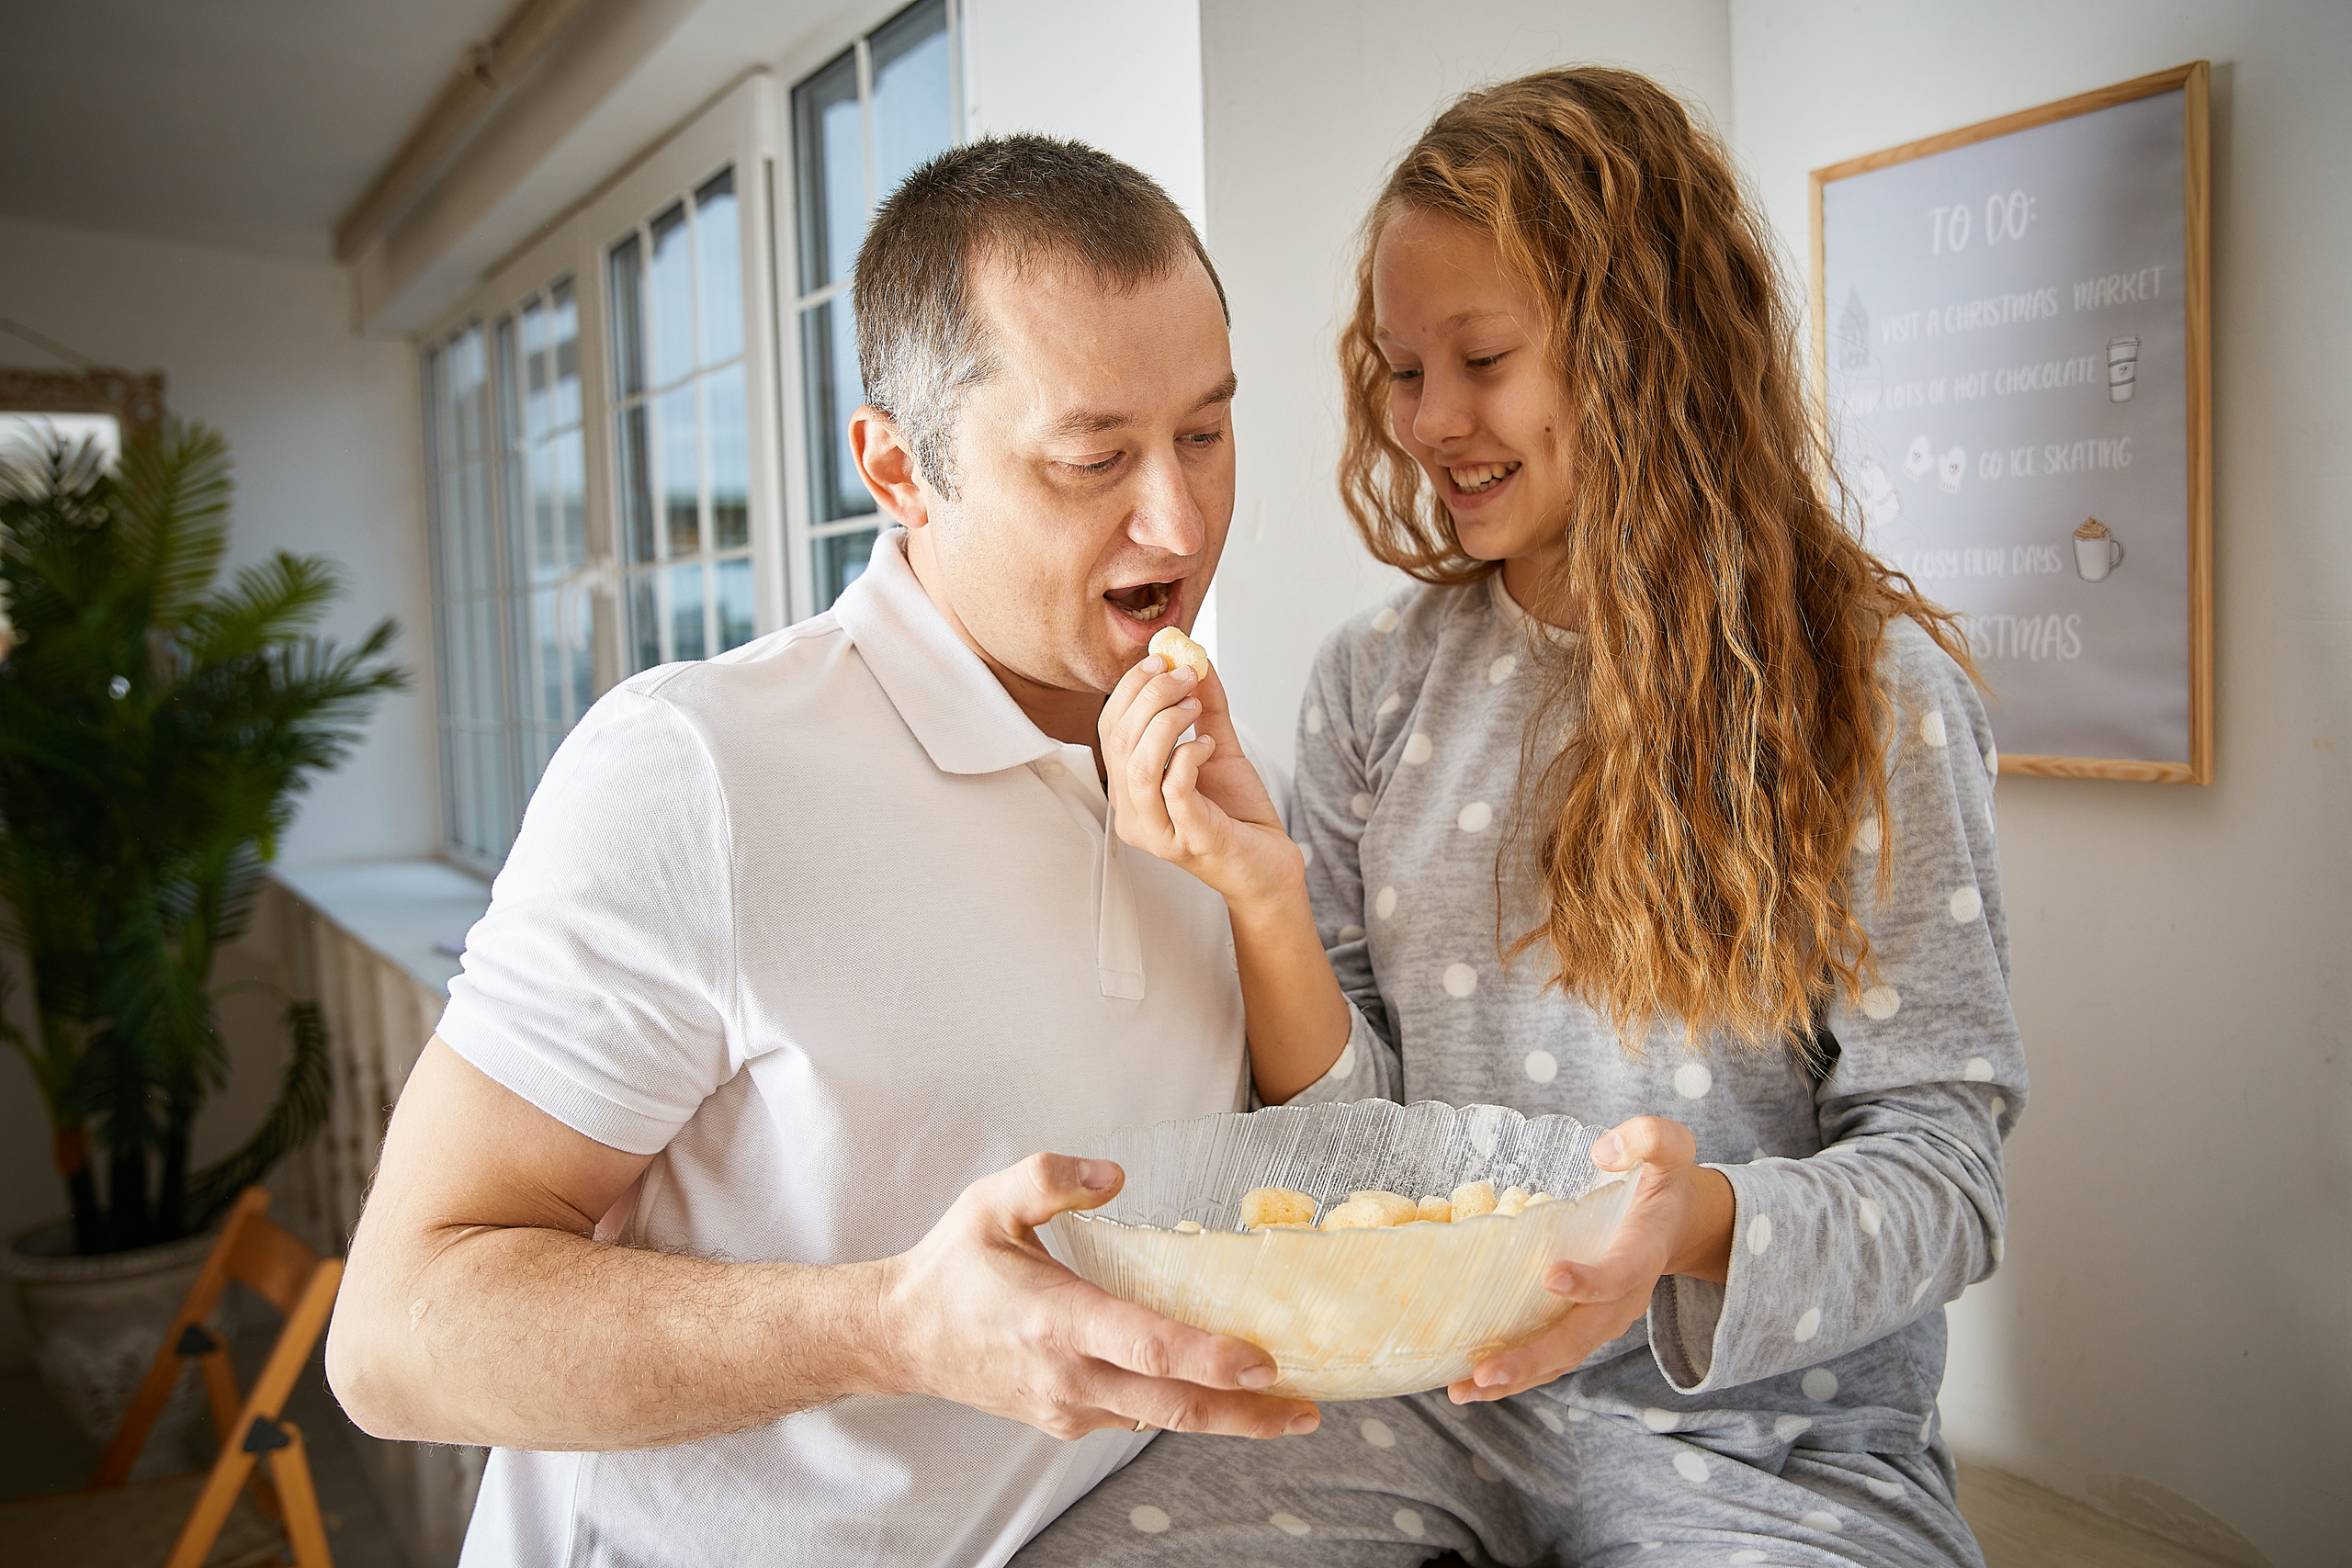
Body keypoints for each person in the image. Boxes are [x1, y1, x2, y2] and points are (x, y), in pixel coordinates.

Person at [1019, 68, 2023, 1566]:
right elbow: (1351, 1160)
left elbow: (1947, 1170)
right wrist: (1264, 896)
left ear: (1647, 356)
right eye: (1399, 369)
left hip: (1766, 1436)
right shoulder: (1374, 682)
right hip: (1418, 1402)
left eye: (1480, 358)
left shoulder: (1870, 697)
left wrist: (1682, 1229)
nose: (1429, 422)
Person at [324, 136, 1322, 1568]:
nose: (1180, 519)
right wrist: (891, 1328)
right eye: (1094, 457)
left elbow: (1323, 1175)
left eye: (1208, 433)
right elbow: (401, 1336)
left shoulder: (1203, 769)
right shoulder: (696, 770)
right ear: (897, 470)